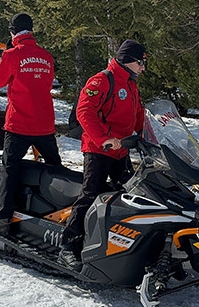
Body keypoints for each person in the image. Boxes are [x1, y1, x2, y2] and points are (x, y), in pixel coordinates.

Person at [58, 39, 147, 271]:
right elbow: (84, 111)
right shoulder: (102, 80)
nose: (143, 67)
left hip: (122, 150)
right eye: (141, 62)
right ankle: (68, 245)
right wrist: (104, 138)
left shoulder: (130, 84)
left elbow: (138, 114)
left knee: (128, 195)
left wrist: (148, 135)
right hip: (100, 150)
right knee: (91, 193)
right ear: (128, 60)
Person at [0, 13, 62, 234]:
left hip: (19, 123)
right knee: (55, 168)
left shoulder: (11, 54)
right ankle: (60, 210)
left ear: (12, 32)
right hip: (44, 122)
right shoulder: (46, 56)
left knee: (9, 169)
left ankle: (3, 218)